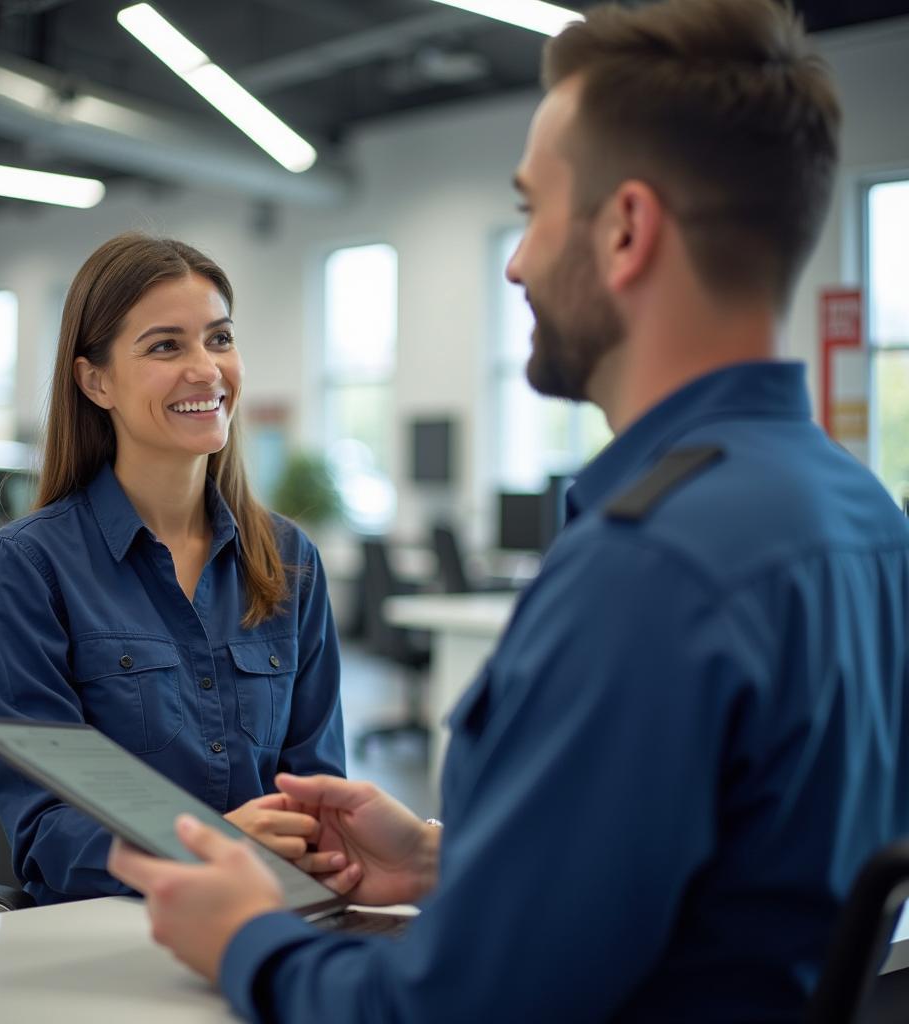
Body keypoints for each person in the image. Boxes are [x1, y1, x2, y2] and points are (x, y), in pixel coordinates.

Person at [109, 1, 909, 1020]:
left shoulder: (650, 566)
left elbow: (455, 1009)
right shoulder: (860, 515)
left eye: (531, 210)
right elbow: (727, 881)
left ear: (624, 230)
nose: (516, 262)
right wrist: (452, 861)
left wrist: (245, 941)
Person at [0, 233, 345, 905]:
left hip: (267, 929)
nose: (206, 369)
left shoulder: (291, 563)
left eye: (220, 339)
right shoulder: (27, 568)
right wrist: (215, 849)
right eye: (166, 346)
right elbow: (47, 831)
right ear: (96, 380)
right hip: (103, 938)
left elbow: (319, 792)